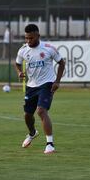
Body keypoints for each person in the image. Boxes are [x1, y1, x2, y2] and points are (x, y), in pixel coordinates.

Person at [15, 24, 65, 154]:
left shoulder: (48, 48)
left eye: (31, 38)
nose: (28, 41)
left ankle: (50, 144)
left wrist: (57, 81)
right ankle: (32, 133)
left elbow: (61, 63)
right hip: (31, 86)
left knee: (41, 111)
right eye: (26, 38)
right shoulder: (23, 50)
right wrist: (19, 72)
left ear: (38, 36)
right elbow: (17, 63)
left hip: (47, 84)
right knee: (27, 115)